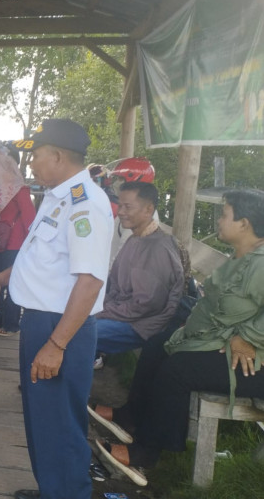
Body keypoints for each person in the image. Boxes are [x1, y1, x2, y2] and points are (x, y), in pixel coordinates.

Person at [91, 188, 264, 486]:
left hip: (252, 363)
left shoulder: (260, 263)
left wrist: (246, 337)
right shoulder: (241, 257)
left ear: (244, 224)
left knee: (178, 371)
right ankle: (131, 417)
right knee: (158, 345)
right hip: (223, 343)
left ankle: (147, 453)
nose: (219, 220)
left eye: (224, 215)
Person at [0, 119, 113, 499]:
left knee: (61, 423)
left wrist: (56, 344)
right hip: (41, 323)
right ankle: (52, 489)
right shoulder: (58, 197)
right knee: (42, 419)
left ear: (57, 156)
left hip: (62, 327)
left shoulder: (86, 204)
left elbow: (90, 280)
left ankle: (67, 493)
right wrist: (2, 278)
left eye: (35, 155)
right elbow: (43, 257)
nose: (30, 164)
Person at [93, 181, 184, 368]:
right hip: (124, 312)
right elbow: (115, 286)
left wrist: (102, 312)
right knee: (69, 320)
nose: (121, 212)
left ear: (148, 209)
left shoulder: (159, 248)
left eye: (128, 207)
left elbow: (147, 305)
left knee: (78, 331)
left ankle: (72, 381)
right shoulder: (135, 238)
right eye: (120, 205)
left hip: (144, 324)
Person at [0, 141, 36, 336]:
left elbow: (30, 220)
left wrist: (31, 247)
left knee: (13, 283)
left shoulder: (20, 189)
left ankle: (11, 323)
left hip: (15, 244)